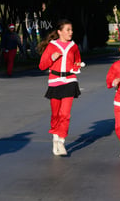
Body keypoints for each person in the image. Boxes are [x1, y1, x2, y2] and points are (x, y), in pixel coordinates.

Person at [38, 19, 84, 156]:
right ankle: (55, 138)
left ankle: (62, 141)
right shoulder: (52, 46)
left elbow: (77, 61)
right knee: (56, 114)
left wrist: (78, 66)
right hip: (55, 81)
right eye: (68, 30)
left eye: (71, 30)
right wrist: (51, 57)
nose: (71, 32)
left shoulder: (74, 46)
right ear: (60, 32)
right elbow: (42, 66)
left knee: (65, 114)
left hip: (70, 81)